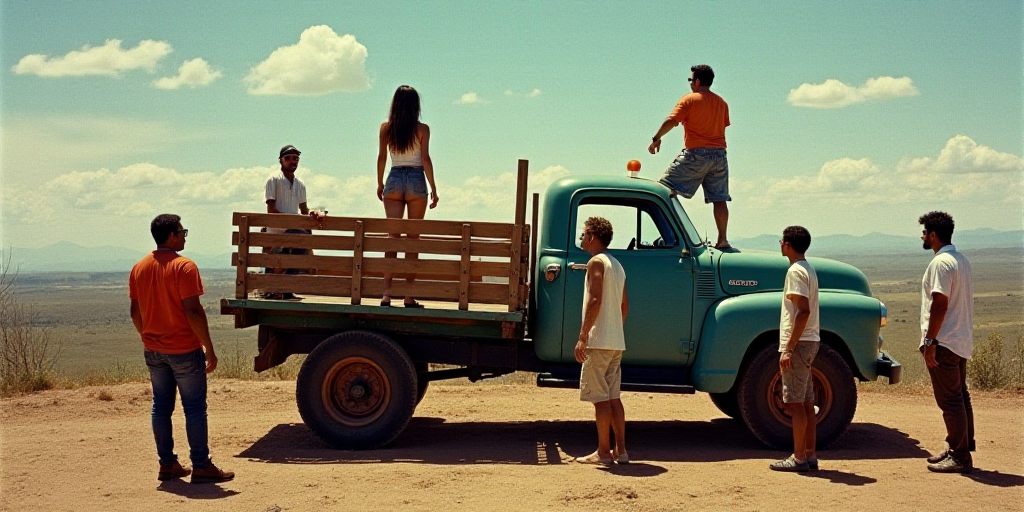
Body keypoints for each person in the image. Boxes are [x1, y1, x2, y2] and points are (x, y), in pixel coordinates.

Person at [129, 214, 234, 484]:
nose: (185, 236)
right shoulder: (184, 267)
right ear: (173, 236)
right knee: (195, 407)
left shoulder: (139, 267)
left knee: (161, 407)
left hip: (153, 349)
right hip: (184, 349)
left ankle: (167, 464)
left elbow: (134, 311)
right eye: (183, 231)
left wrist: (148, 338)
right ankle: (200, 465)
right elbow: (193, 311)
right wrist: (209, 347)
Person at [647, 64, 732, 250]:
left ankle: (671, 236)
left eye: (690, 79)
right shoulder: (722, 103)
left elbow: (672, 121)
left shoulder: (689, 100)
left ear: (697, 81)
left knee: (663, 188)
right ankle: (723, 239)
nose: (690, 83)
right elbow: (721, 126)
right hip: (720, 155)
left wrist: (656, 138)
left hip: (696, 153)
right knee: (720, 198)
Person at [918, 211, 975, 473]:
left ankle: (960, 456)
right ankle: (959, 447)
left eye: (924, 232)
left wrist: (930, 340)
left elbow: (939, 303)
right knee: (960, 397)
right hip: (959, 339)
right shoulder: (960, 260)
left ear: (932, 234)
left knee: (951, 400)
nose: (922, 236)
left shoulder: (941, 263)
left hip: (945, 341)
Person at [573, 217, 629, 465]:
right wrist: (614, 329)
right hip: (616, 341)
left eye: (584, 233)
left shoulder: (596, 262)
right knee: (614, 396)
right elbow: (624, 306)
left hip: (599, 341)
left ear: (592, 237)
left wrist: (583, 336)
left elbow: (595, 300)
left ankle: (603, 452)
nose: (582, 237)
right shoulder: (617, 265)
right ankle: (622, 451)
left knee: (600, 399)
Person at [376, 85, 439, 308]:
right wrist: (433, 188)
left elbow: (382, 157)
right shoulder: (422, 129)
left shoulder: (386, 129)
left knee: (392, 238)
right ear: (415, 105)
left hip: (393, 178)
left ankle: (386, 294)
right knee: (412, 240)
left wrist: (380, 183)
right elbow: (425, 160)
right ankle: (408, 295)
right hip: (415, 178)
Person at [769, 226, 820, 472]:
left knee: (796, 403)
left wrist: (788, 348)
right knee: (807, 400)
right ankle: (809, 454)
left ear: (788, 244)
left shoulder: (795, 272)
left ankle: (798, 458)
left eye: (782, 241)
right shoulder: (808, 269)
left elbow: (803, 311)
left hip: (799, 342)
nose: (780, 244)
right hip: (810, 341)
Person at [263, 144, 325, 297]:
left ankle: (285, 288)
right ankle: (283, 288)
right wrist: (292, 221)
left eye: (296, 158)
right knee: (301, 236)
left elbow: (304, 210)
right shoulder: (273, 180)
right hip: (277, 230)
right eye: (288, 158)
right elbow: (271, 210)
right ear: (280, 160)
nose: (293, 161)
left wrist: (315, 213)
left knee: (301, 236)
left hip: (295, 231)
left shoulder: (300, 184)